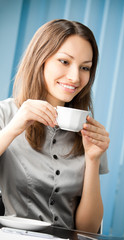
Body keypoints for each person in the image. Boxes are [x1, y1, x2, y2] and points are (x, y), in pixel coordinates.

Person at [0, 19, 110, 233]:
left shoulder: (89, 132)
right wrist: (14, 128)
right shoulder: (6, 114)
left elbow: (88, 229)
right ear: (40, 59)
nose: (75, 77)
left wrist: (93, 159)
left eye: (85, 67)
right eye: (64, 61)